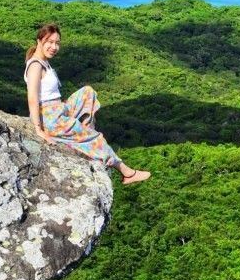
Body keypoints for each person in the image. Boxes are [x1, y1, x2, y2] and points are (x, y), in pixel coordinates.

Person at [24, 23, 150, 185]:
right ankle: (126, 172)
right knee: (95, 138)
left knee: (87, 93)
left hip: (58, 109)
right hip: (51, 119)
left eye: (57, 43)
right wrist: (38, 129)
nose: (54, 47)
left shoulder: (43, 62)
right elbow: (32, 98)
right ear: (39, 41)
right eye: (50, 42)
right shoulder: (35, 66)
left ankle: (84, 133)